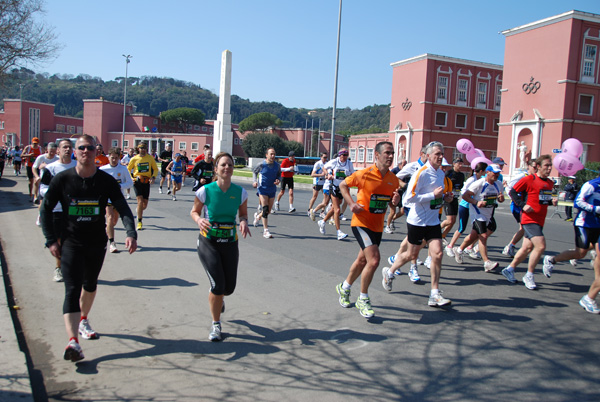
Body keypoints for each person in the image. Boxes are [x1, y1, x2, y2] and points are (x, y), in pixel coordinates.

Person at [40, 134, 137, 362]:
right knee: (72, 288)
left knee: (90, 284)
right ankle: (73, 341)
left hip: (96, 242)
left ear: (96, 152)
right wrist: (51, 240)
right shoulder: (63, 180)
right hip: (71, 242)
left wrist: (131, 233)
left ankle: (83, 319)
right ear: (75, 152)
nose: (86, 151)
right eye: (81, 148)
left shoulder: (105, 181)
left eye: (90, 148)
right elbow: (45, 209)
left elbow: (122, 207)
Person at [381, 141, 454, 307]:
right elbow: (408, 199)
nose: (441, 157)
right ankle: (390, 272)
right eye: (437, 154)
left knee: (438, 254)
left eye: (442, 154)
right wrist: (431, 195)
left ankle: (434, 293)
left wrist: (445, 198)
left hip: (433, 221)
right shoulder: (421, 173)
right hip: (417, 221)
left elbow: (437, 196)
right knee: (411, 255)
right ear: (428, 156)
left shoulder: (441, 174)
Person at [335, 142, 400, 318]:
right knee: (374, 260)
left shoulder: (393, 179)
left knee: (362, 261)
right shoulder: (364, 174)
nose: (391, 156)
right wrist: (351, 204)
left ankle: (344, 287)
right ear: (377, 155)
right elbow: (343, 185)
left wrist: (395, 199)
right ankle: (363, 298)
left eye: (392, 153)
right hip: (361, 223)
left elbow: (393, 200)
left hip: (377, 226)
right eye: (387, 153)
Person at [191, 152, 251, 341]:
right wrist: (199, 219)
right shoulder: (205, 190)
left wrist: (243, 222)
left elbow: (242, 214)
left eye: (230, 165)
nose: (227, 168)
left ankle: (220, 298)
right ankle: (216, 324)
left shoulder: (240, 193)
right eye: (223, 165)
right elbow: (194, 211)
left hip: (230, 242)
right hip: (209, 242)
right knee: (218, 285)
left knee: (229, 288)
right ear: (216, 169)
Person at [501, 155, 556, 289]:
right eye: (546, 166)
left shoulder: (549, 183)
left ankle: (509, 269)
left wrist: (551, 201)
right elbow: (512, 192)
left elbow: (542, 199)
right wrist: (522, 204)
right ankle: (529, 275)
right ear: (538, 166)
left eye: (550, 166)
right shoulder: (529, 179)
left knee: (527, 248)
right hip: (529, 219)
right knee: (541, 246)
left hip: (540, 219)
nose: (549, 168)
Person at [453, 164, 504, 272]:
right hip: (477, 213)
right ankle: (487, 262)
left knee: (473, 236)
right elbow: (465, 196)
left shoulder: (498, 184)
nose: (496, 175)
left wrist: (501, 198)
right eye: (494, 173)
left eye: (498, 173)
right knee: (483, 236)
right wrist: (476, 202)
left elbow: (500, 199)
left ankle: (459, 249)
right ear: (487, 172)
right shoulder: (479, 184)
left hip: (488, 214)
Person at [39, 139, 77, 282]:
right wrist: (58, 193)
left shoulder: (77, 166)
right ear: (58, 151)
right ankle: (59, 268)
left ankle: (75, 267)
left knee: (75, 240)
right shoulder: (51, 168)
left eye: (69, 147)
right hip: (56, 210)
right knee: (59, 241)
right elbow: (42, 188)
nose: (67, 149)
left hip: (74, 210)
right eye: (64, 147)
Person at [445, 162, 488, 257]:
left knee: (477, 229)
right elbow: (463, 191)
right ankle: (450, 246)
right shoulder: (471, 179)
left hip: (474, 207)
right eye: (485, 170)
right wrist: (472, 196)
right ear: (481, 171)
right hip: (465, 206)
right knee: (461, 228)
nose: (486, 172)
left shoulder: (480, 180)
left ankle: (469, 248)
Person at [100, 147, 134, 253]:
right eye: (112, 158)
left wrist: (120, 186)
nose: (114, 160)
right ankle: (112, 243)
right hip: (107, 199)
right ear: (108, 157)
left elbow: (130, 183)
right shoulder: (103, 170)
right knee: (109, 218)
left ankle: (107, 229)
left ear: (119, 158)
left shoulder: (123, 169)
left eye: (116, 158)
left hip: (118, 199)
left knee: (113, 222)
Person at [502, 160, 538, 257]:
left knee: (525, 228)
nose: (536, 169)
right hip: (517, 205)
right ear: (529, 167)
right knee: (523, 227)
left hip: (526, 206)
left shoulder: (535, 178)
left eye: (537, 167)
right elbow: (509, 188)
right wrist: (517, 201)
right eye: (534, 167)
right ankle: (510, 247)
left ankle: (513, 247)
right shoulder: (522, 176)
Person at [318, 149, 354, 240]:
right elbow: (324, 168)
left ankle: (323, 221)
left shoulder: (349, 164)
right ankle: (339, 232)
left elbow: (352, 175)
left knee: (334, 208)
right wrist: (327, 175)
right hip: (334, 186)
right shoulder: (334, 162)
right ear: (340, 155)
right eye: (343, 155)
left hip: (342, 188)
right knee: (337, 210)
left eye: (346, 155)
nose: (345, 157)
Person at [127, 142, 158, 230]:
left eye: (144, 148)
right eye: (141, 148)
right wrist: (131, 178)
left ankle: (139, 211)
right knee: (140, 201)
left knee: (144, 205)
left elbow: (155, 169)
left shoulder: (150, 158)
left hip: (146, 181)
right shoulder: (134, 159)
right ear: (138, 149)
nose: (143, 150)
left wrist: (153, 177)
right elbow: (128, 169)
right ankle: (139, 222)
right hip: (137, 181)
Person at [252, 148, 280, 238]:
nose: (273, 156)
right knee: (265, 209)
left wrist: (278, 180)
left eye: (274, 154)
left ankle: (258, 217)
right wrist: (254, 181)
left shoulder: (277, 165)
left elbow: (279, 174)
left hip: (272, 189)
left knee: (268, 211)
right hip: (262, 188)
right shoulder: (261, 164)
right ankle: (266, 231)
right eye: (271, 154)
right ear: (266, 155)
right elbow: (254, 172)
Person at [440, 158, 465, 243]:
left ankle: (442, 236)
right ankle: (435, 231)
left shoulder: (462, 175)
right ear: (454, 164)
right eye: (459, 164)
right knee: (449, 220)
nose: (460, 166)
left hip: (455, 198)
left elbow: (461, 186)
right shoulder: (449, 173)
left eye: (462, 164)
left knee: (453, 221)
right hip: (448, 198)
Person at [308, 152, 328, 220]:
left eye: (326, 157)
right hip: (317, 182)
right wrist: (321, 175)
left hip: (324, 183)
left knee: (325, 197)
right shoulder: (317, 164)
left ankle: (322, 212)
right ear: (321, 157)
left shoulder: (327, 164)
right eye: (324, 157)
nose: (325, 159)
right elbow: (312, 174)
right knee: (314, 196)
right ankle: (309, 209)